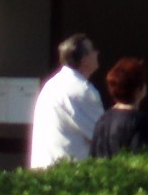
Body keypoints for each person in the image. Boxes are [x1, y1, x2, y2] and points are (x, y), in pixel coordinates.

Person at [28, 33, 103, 168]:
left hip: (43, 171)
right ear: (84, 59)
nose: (97, 53)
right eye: (93, 50)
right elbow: (103, 137)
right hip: (70, 174)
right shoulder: (82, 91)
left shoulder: (52, 85)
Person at [91, 57, 148, 159]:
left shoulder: (103, 119)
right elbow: (141, 159)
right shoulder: (138, 122)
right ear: (138, 90)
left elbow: (93, 156)